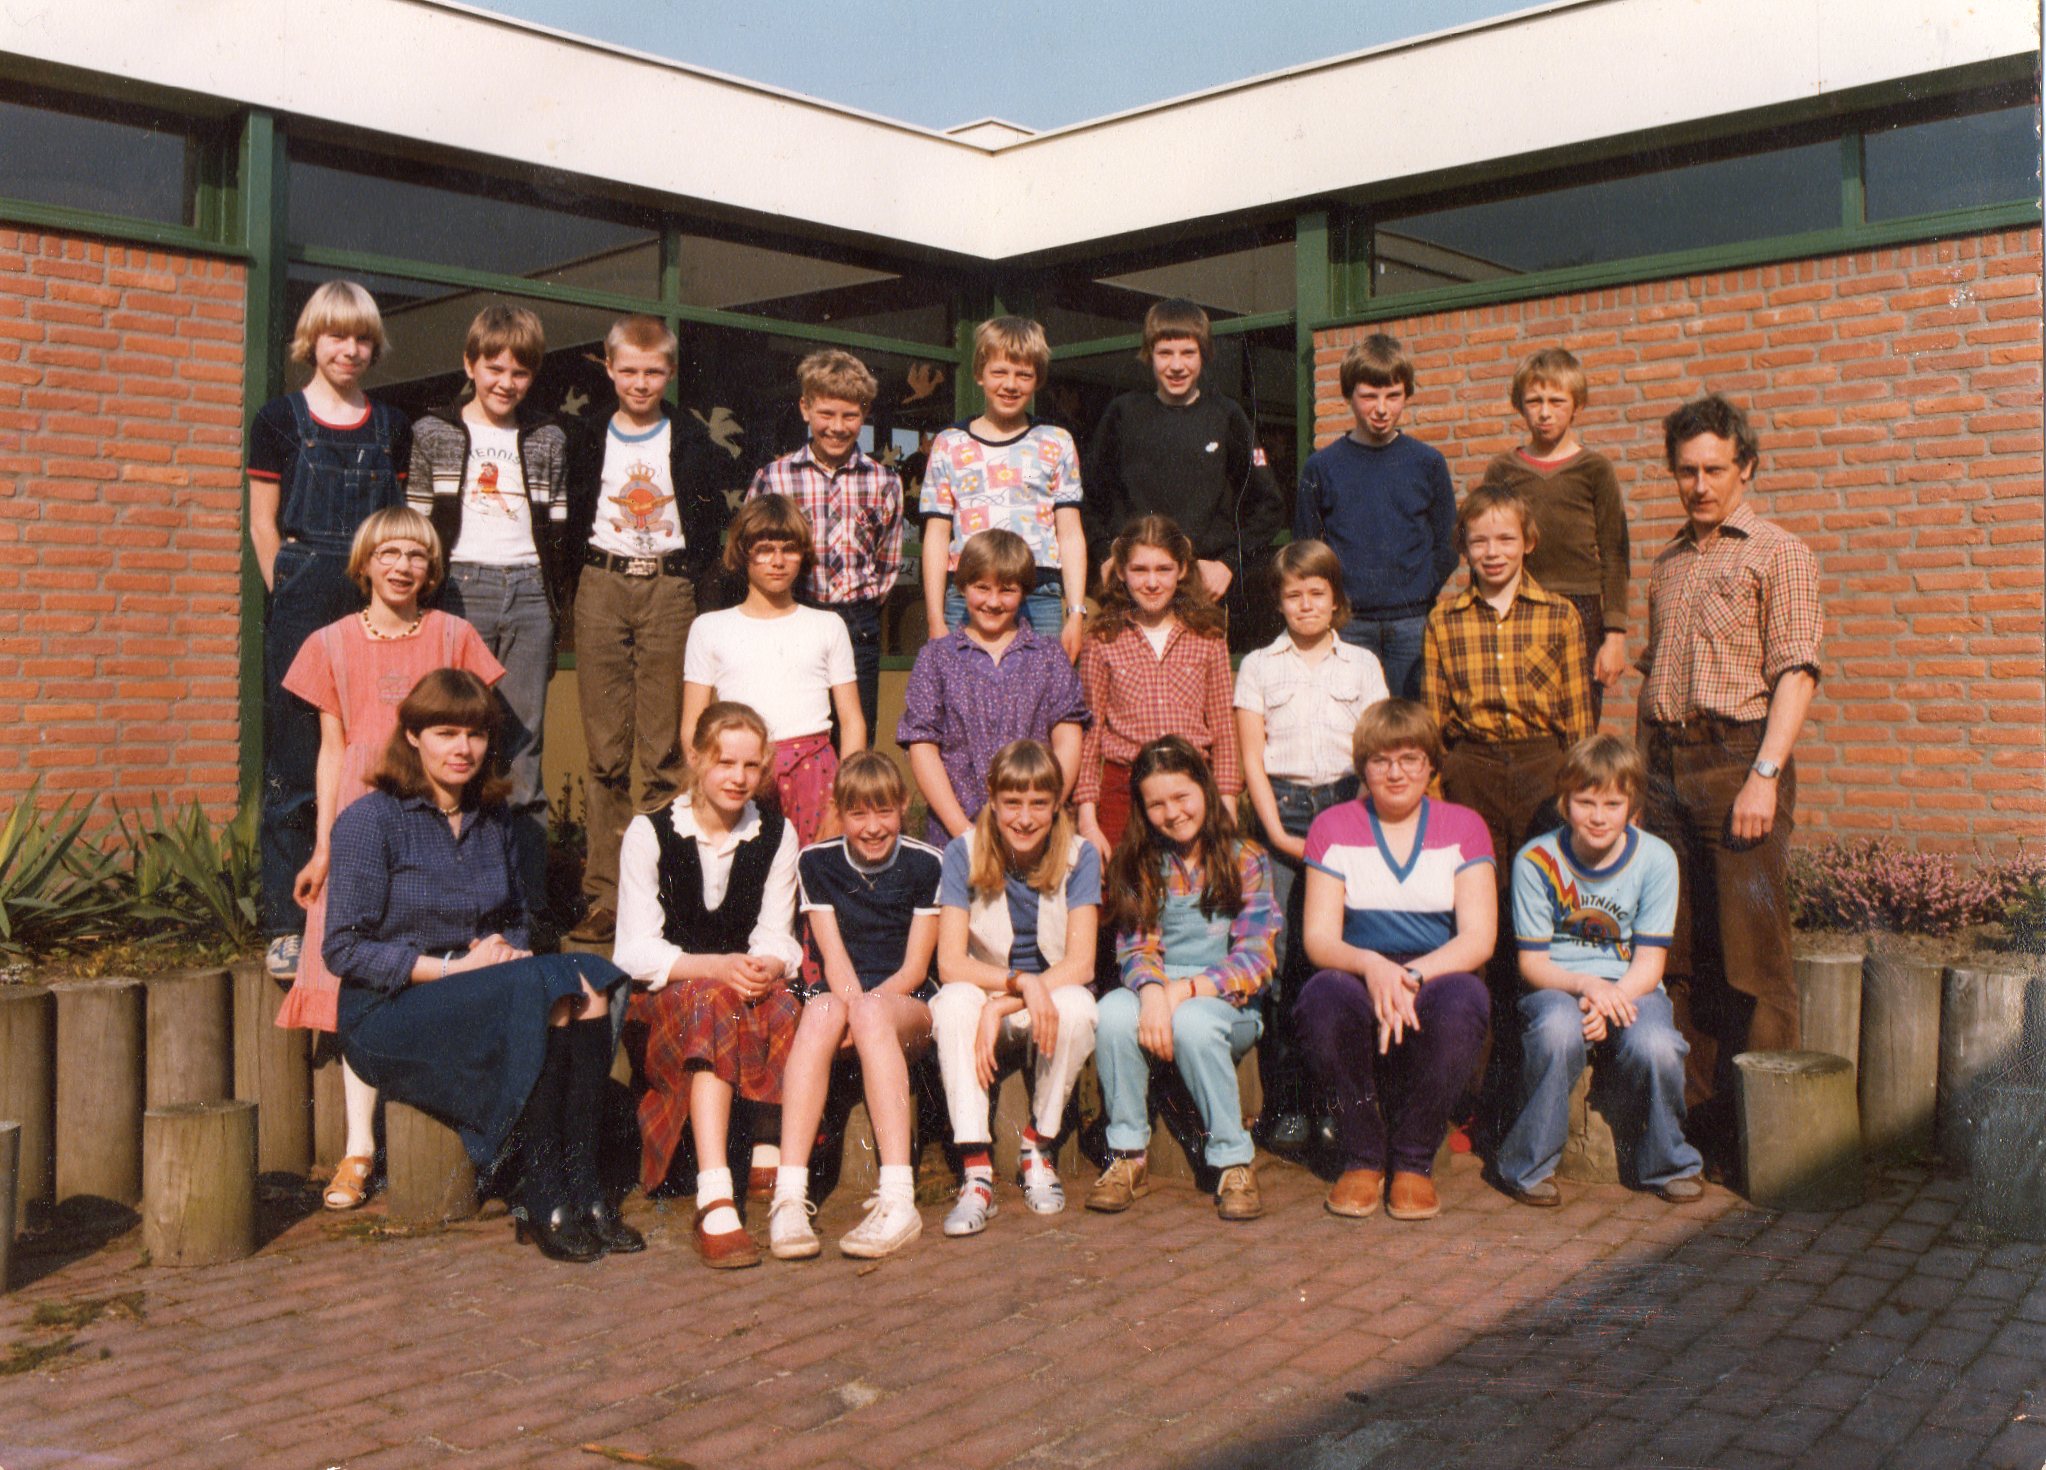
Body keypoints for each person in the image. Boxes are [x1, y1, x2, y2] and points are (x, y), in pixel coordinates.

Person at [321, 669, 632, 1264]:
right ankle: (545, 1197)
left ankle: (585, 1189)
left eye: (477, 734)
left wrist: (506, 950)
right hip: (387, 1013)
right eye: (445, 732)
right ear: (412, 736)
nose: (463, 749)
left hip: (483, 990)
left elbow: (515, 915)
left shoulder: (493, 821)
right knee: (546, 988)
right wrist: (455, 968)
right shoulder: (370, 821)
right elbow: (343, 949)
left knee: (591, 984)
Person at [278, 507, 505, 1211]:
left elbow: (479, 732)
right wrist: (321, 847)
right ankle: (358, 1149)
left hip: (436, 819)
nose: (403, 566)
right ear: (365, 563)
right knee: (362, 976)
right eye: (390, 553)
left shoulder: (453, 636)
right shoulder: (331, 643)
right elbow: (331, 748)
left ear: (431, 568)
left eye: (417, 555)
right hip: (360, 820)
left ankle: (460, 1135)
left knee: (442, 964)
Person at [1637, 393, 1821, 1168]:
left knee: (1752, 957)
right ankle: (1694, 1132)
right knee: (1679, 953)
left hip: (1738, 761)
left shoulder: (1779, 552)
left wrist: (1764, 778)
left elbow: (1797, 673)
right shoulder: (1669, 562)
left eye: (1715, 469)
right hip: (1664, 770)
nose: (1700, 485)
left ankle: (1769, 1144)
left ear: (1745, 468)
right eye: (1687, 471)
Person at [247, 280, 411, 984]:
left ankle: (372, 904)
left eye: (362, 338)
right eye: (337, 335)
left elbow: (400, 523)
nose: (350, 349)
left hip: (371, 589)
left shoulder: (390, 425)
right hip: (304, 583)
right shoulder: (278, 419)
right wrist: (286, 591)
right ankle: (287, 922)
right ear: (312, 339)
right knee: (295, 752)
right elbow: (262, 520)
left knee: (374, 742)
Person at [1422, 482, 1594, 1135]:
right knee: (1478, 924)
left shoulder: (1560, 616)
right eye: (1479, 540)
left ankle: (1532, 1092)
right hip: (1470, 772)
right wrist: (1438, 795)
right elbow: (1436, 723)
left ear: (1528, 542)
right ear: (1463, 545)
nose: (1492, 552)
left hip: (1543, 770)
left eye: (1505, 539)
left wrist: (1576, 797)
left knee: (1537, 921)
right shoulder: (1445, 618)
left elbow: (1579, 722)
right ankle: (1474, 1096)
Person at [613, 701, 805, 1269]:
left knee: (788, 1001)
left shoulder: (776, 833)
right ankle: (715, 1190)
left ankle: (769, 1142)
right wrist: (718, 967)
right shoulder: (649, 834)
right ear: (696, 759)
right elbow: (635, 950)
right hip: (667, 1000)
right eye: (724, 762)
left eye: (751, 766)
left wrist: (767, 964)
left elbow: (777, 933)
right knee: (714, 1001)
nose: (738, 778)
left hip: (740, 991)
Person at [564, 315, 731, 945]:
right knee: (607, 755)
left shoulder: (689, 438)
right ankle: (606, 895)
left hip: (669, 587)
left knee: (664, 750)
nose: (639, 383)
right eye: (628, 371)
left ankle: (664, 894)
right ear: (608, 370)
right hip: (602, 583)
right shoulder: (586, 436)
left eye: (653, 371)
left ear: (669, 373)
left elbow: (711, 526)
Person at [1296, 699, 1495, 1222]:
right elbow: (1319, 938)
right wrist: (1374, 966)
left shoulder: (1465, 825)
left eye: (1410, 758)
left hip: (1435, 969)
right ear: (1363, 767)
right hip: (1360, 965)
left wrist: (1412, 975)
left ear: (1431, 764)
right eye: (1381, 760)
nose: (1396, 772)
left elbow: (1479, 938)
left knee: (1467, 1001)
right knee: (1321, 998)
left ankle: (1412, 1161)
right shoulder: (1333, 826)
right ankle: (1363, 1157)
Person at [1494, 734, 1704, 1206]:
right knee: (1555, 1032)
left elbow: (1651, 963)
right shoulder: (1535, 861)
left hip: (1633, 985)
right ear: (1565, 803)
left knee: (1658, 1045)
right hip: (1557, 982)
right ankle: (1525, 1166)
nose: (1598, 815)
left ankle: (1668, 1160)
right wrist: (1589, 986)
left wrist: (1612, 999)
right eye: (1585, 801)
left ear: (1632, 807)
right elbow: (1532, 962)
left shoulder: (1656, 859)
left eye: (1612, 803)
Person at [407, 304, 570, 910]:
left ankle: (522, 912)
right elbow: (422, 524)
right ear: (470, 364)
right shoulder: (435, 431)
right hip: (460, 591)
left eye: (520, 371)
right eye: (494, 367)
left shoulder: (548, 437)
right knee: (456, 747)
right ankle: (450, 903)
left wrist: (557, 606)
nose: (506, 382)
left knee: (522, 756)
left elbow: (558, 529)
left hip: (528, 592)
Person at [1234, 538, 1389, 1147]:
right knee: (1284, 963)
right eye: (1293, 594)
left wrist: (1357, 824)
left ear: (1335, 599)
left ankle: (1339, 1104)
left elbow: (1377, 749)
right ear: (1279, 601)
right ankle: (1289, 1103)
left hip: (1350, 806)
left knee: (1341, 961)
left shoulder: (1362, 665)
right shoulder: (1259, 666)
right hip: (1285, 809)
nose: (1304, 605)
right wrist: (1274, 831)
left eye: (1316, 594)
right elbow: (1251, 755)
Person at [1088, 737, 1279, 1221]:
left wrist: (1183, 991)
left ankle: (1233, 1160)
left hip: (1225, 1004)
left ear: (1206, 789)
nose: (1172, 813)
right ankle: (1128, 1154)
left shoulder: (1245, 857)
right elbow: (1136, 948)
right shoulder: (1141, 863)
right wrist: (1154, 993)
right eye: (1157, 804)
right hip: (1158, 990)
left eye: (1182, 796)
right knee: (1111, 1011)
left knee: (1193, 1022)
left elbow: (1255, 957)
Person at [767, 753, 944, 1262]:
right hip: (846, 1004)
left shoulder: (926, 862)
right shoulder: (816, 862)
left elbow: (915, 970)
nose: (872, 828)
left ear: (903, 808)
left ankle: (897, 1199)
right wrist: (852, 1010)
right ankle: (789, 1195)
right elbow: (834, 961)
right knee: (821, 1010)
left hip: (907, 1008)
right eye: (858, 814)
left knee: (867, 1012)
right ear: (839, 812)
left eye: (884, 812)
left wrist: (867, 1011)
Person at [929, 740, 1101, 1236]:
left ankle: (1036, 1145)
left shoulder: (1078, 855)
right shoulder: (962, 852)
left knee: (1078, 1007)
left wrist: (1011, 1000)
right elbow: (951, 960)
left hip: (1034, 997)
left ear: (1057, 805)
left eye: (1039, 804)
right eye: (1012, 803)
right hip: (987, 989)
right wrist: (1010, 986)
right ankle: (977, 1170)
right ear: (991, 798)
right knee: (954, 1004)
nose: (1024, 818)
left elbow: (1082, 961)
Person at [1082, 298, 1285, 647]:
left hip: (1201, 592)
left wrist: (1227, 563)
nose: (1176, 365)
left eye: (1187, 353)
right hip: (1132, 586)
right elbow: (1087, 497)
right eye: (1165, 353)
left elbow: (1269, 506)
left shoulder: (1226, 416)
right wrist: (1104, 552)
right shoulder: (1124, 414)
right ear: (1149, 354)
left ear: (1204, 354)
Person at [681, 493, 864, 847]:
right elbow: (692, 724)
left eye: (789, 549)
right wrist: (706, 784)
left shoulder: (828, 625)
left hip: (816, 776)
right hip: (738, 773)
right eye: (764, 549)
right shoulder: (709, 628)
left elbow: (852, 721)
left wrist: (841, 800)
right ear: (743, 552)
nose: (777, 561)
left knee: (812, 883)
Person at [744, 348, 904, 740]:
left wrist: (857, 607)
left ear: (864, 414)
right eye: (826, 414)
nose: (837, 426)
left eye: (850, 416)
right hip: (789, 613)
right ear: (805, 409)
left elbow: (887, 563)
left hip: (856, 624)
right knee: (785, 731)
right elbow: (749, 550)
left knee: (854, 734)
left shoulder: (884, 482)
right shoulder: (774, 478)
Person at [897, 528, 1090, 848]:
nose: (993, 601)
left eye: (1007, 590)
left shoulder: (1049, 656)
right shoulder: (936, 658)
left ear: (1024, 591)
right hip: (956, 834)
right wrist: (962, 832)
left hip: (1035, 832)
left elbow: (1068, 739)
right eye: (981, 587)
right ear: (962, 586)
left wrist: (1047, 812)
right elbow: (921, 745)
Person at [1293, 333, 1457, 698]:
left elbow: (1449, 542)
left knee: (1410, 725)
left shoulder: (1427, 463)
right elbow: (1306, 548)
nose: (1381, 408)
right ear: (1349, 395)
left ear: (1406, 394)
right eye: (1369, 396)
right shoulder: (1322, 467)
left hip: (1412, 622)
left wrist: (1421, 588)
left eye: (1393, 396)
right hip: (1349, 623)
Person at [919, 316, 1087, 658]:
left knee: (1041, 701)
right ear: (980, 374)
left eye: (1023, 374)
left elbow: (1069, 533)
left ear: (1037, 379)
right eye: (1000, 372)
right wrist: (936, 618)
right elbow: (937, 536)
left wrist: (1075, 612)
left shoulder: (1056, 442)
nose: (1010, 384)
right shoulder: (949, 444)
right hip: (967, 595)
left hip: (1039, 594)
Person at [1478, 348, 1630, 723]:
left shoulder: (1595, 469)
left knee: (1578, 717)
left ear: (1576, 405)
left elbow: (1615, 553)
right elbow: (1484, 546)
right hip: (1518, 604)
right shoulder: (1502, 469)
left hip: (1582, 609)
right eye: (1534, 401)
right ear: (1520, 405)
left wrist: (1615, 635)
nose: (1545, 412)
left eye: (1556, 401)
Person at [1075, 515, 1240, 858]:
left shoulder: (1207, 636)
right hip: (1126, 787)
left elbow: (1224, 729)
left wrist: (1227, 806)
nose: (1151, 582)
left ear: (1181, 570)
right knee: (1124, 898)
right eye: (1139, 570)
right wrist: (1088, 818)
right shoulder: (1103, 639)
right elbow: (1089, 735)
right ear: (1120, 572)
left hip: (1192, 786)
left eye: (1163, 569)